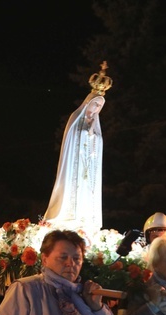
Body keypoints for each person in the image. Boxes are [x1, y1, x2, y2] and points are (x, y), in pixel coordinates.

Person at [43, 64, 111, 231]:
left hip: (88, 172)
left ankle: (86, 219)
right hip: (75, 167)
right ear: (88, 103)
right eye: (94, 104)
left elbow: (97, 148)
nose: (95, 109)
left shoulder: (96, 128)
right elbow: (71, 143)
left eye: (98, 106)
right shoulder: (75, 120)